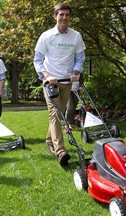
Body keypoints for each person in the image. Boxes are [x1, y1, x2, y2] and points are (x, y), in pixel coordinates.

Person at [34, 2, 85, 166]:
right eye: (61, 14)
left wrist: (76, 72)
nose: (64, 17)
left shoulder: (76, 36)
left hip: (67, 81)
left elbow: (80, 58)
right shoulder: (46, 36)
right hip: (51, 83)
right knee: (55, 114)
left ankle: (49, 140)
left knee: (59, 113)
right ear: (55, 16)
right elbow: (37, 60)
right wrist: (47, 75)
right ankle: (61, 151)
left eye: (67, 15)